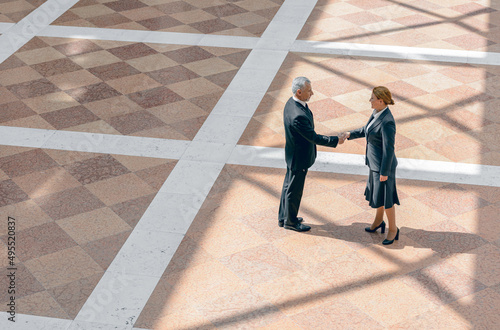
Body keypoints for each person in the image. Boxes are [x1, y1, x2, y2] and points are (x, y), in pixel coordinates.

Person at [279, 76, 344, 232]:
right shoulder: (298, 116)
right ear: (299, 92)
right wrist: (336, 140)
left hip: (292, 154)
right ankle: (291, 222)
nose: (312, 93)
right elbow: (314, 137)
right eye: (309, 91)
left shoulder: (291, 103)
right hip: (299, 158)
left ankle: (285, 217)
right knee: (294, 190)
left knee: (289, 185)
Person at [341, 86, 400, 245]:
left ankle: (393, 229)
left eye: (372, 98)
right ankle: (378, 221)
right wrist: (349, 134)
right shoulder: (377, 113)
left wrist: (384, 171)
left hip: (383, 167)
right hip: (374, 164)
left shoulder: (387, 121)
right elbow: (367, 130)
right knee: (378, 195)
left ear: (381, 101)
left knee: (387, 199)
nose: (370, 101)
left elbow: (389, 148)